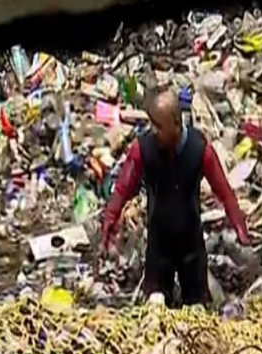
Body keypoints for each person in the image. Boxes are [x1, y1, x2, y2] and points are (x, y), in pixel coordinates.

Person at [100, 89, 251, 307]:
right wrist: (110, 219)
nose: (152, 131)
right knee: (155, 308)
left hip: (191, 244)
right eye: (152, 124)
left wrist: (239, 227)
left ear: (177, 126)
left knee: (196, 309)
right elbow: (122, 188)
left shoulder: (200, 150)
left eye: (159, 126)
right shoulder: (142, 150)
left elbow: (224, 192)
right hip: (158, 245)